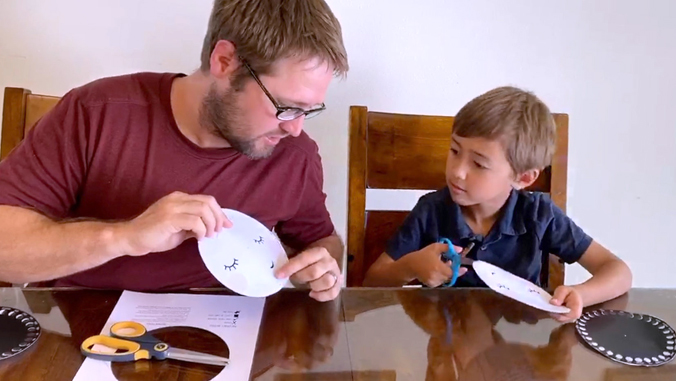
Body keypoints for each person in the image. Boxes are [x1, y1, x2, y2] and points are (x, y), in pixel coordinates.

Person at [0, 0, 348, 302]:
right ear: (225, 61)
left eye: (309, 110)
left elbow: (320, 241)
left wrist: (321, 267)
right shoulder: (99, 112)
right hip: (83, 335)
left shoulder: (293, 154)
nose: (295, 127)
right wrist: (125, 237)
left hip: (228, 346)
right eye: (285, 106)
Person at [363, 86, 633, 321]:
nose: (457, 171)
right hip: (445, 358)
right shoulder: (431, 210)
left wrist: (581, 294)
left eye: (479, 163)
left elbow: (618, 272)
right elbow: (371, 283)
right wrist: (410, 267)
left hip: (517, 355)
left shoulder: (539, 215)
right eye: (454, 150)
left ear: (523, 177)